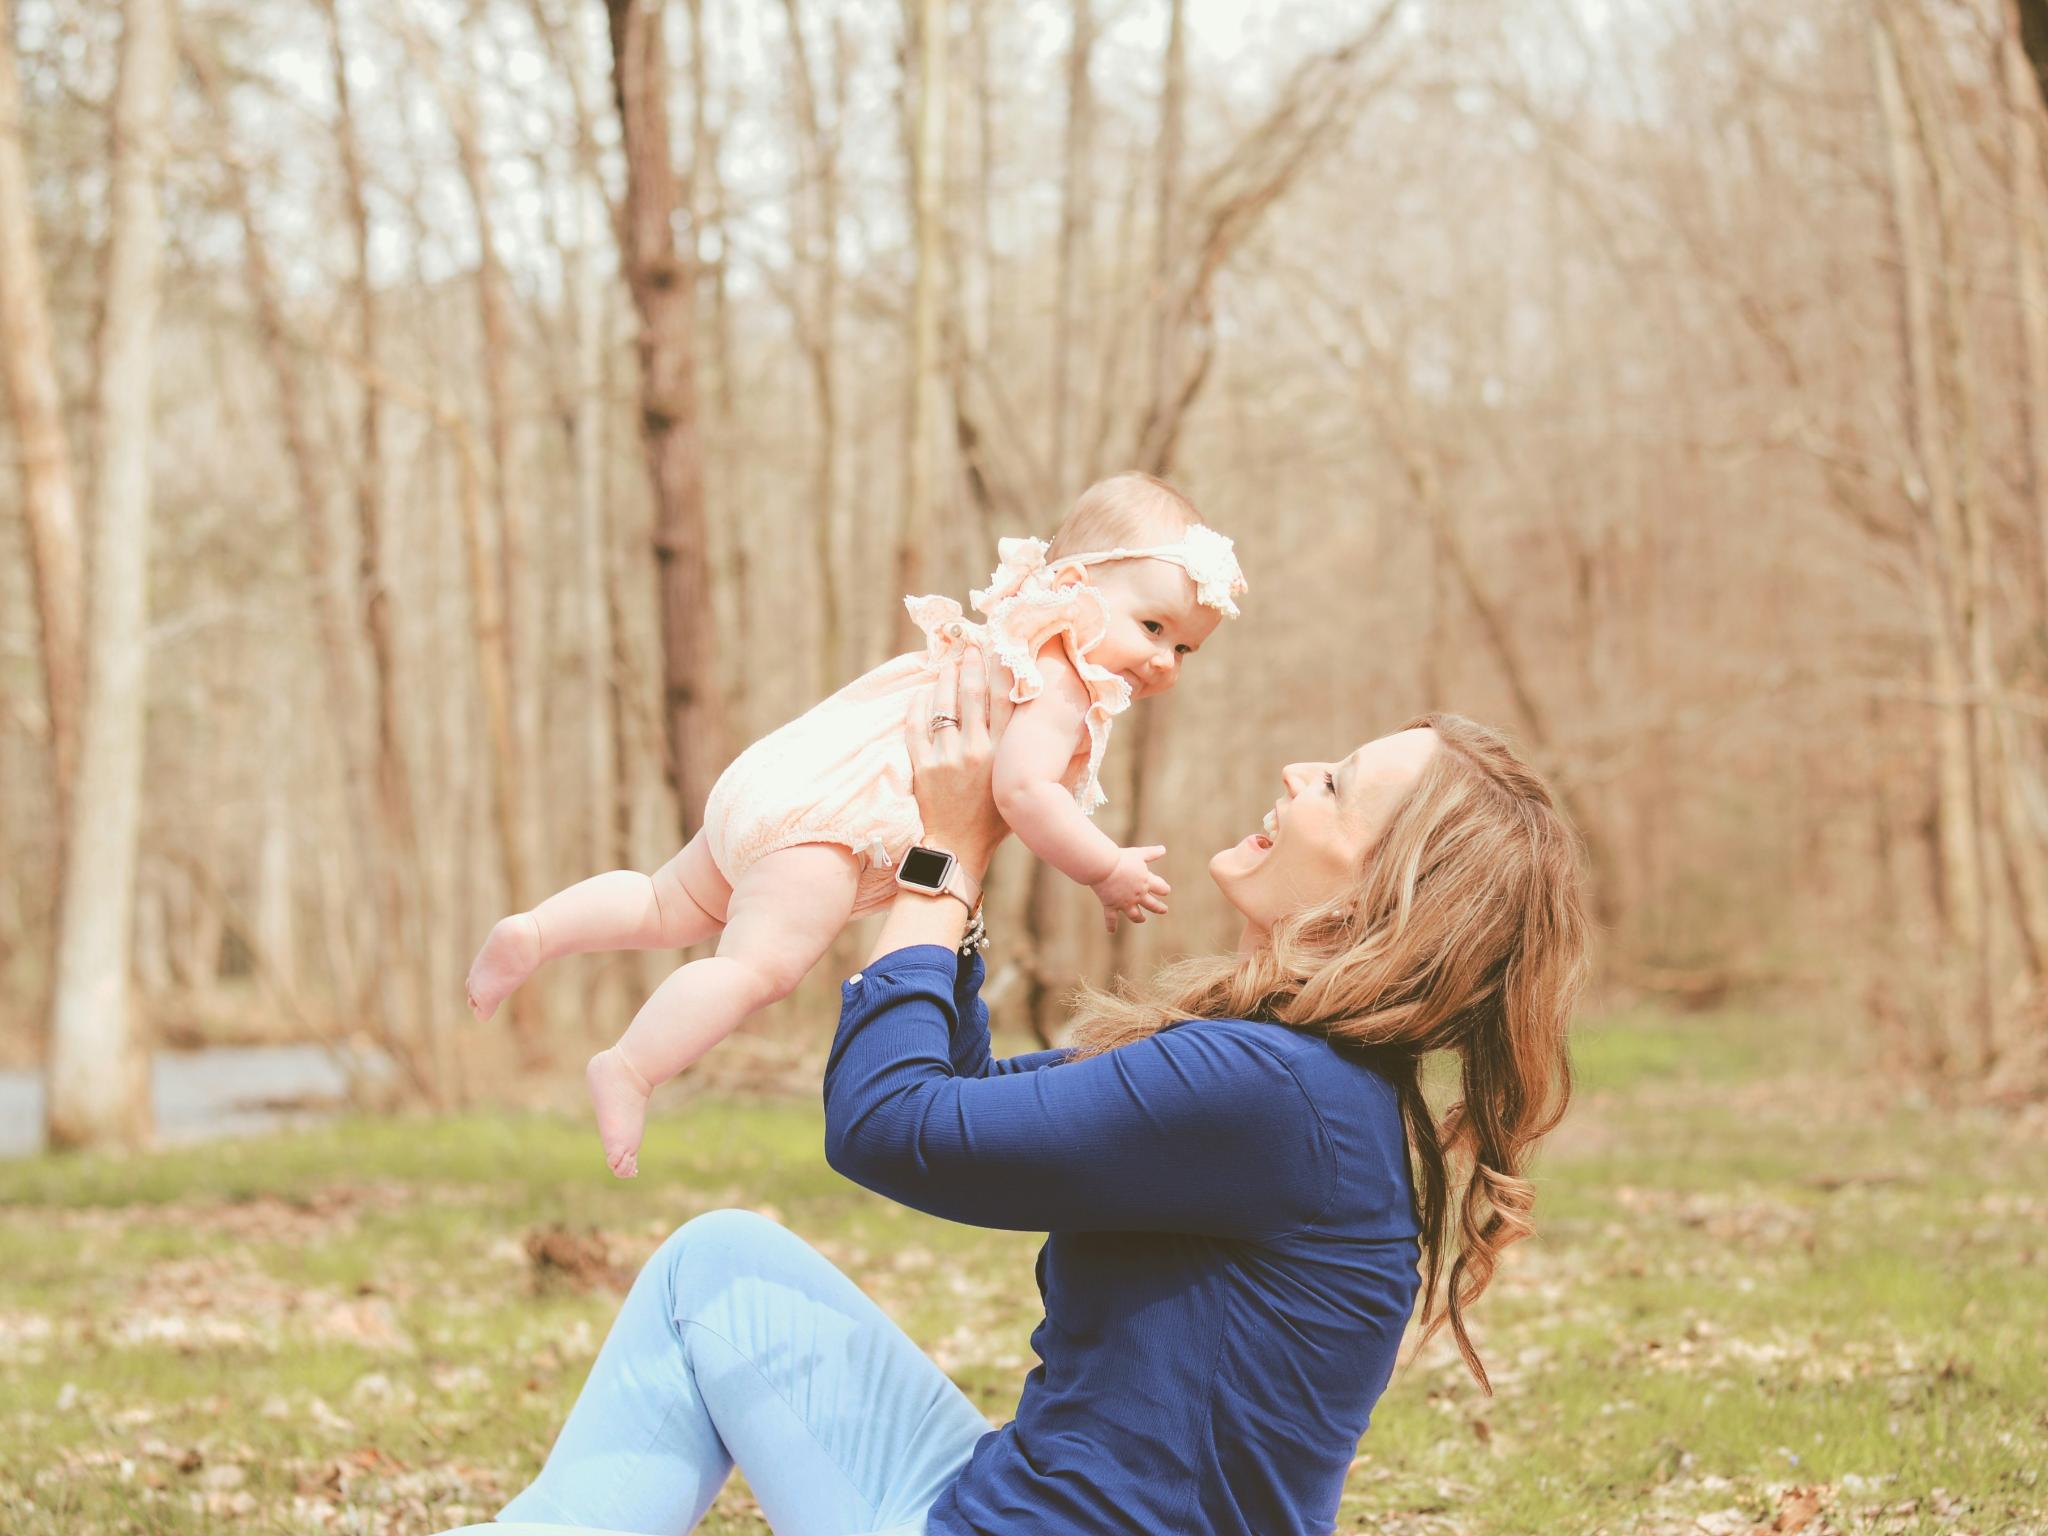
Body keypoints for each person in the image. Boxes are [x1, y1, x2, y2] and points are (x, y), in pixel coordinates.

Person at [441, 643, 1590, 1536]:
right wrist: (947, 879)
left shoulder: (1270, 1093)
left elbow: (889, 1127)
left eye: (1333, 787)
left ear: (1383, 896)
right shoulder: (1300, 1085)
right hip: (996, 1496)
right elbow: (967, 1099)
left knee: (711, 1274)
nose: (1296, 772)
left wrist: (945, 857)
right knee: (717, 1266)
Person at [462, 472, 1248, 1176]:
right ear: (1076, 585)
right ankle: (632, 1067)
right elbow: (1022, 793)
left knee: (667, 902)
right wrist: (1103, 867)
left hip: (784, 776)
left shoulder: (1012, 630)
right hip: (830, 825)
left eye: (1186, 648)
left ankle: (537, 931)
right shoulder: (1061, 678)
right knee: (756, 970)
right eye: (1153, 628)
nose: (1165, 662)